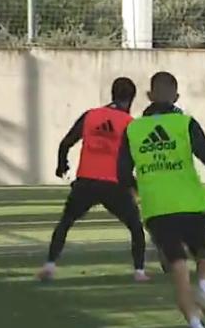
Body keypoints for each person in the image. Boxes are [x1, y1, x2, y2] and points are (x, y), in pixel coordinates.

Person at [118, 72, 205, 328]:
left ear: (149, 97)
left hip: (157, 209)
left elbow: (121, 173)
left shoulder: (133, 130)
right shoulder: (185, 123)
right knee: (204, 256)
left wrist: (141, 191)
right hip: (190, 204)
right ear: (176, 97)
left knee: (178, 270)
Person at [38, 77, 149, 282]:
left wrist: (61, 165)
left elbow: (66, 143)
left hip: (86, 181)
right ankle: (139, 272)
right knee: (135, 227)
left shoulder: (91, 116)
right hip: (113, 183)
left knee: (65, 222)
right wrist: (133, 184)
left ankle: (49, 265)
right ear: (131, 99)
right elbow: (131, 158)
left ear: (112, 94)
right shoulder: (129, 124)